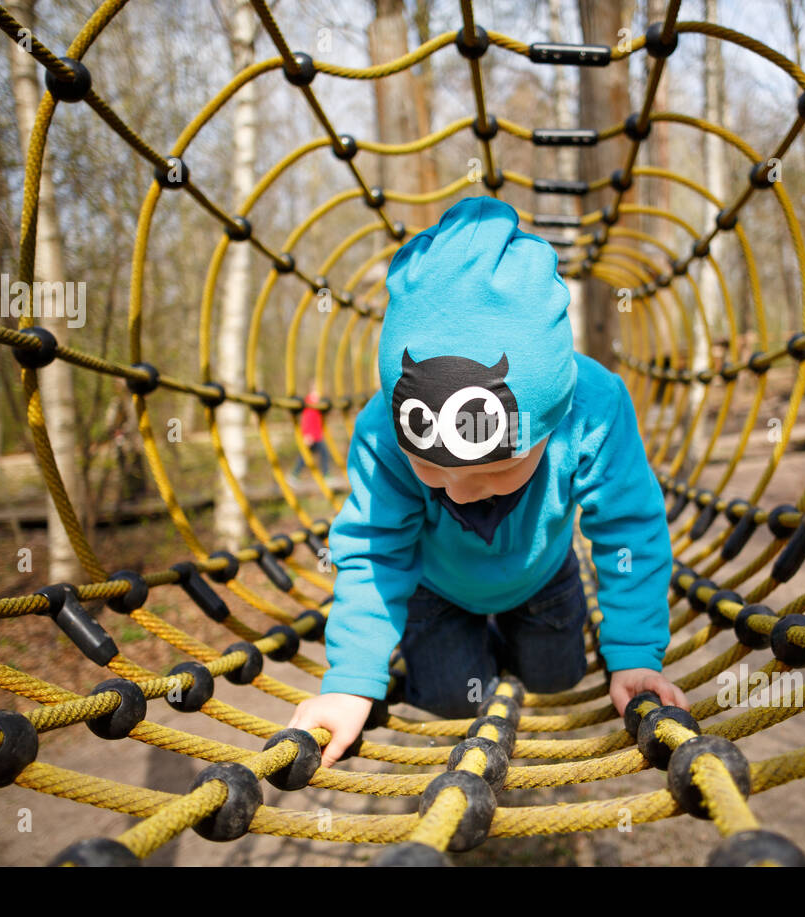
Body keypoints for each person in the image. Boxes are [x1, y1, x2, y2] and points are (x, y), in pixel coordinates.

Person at [288, 197, 684, 769]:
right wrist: (351, 680)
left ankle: (521, 645)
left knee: (557, 681)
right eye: (429, 468)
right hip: (438, 591)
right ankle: (463, 653)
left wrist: (633, 653)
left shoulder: (593, 408)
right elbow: (374, 549)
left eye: (496, 469)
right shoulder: (381, 429)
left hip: (543, 578)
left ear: (551, 425)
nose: (458, 491)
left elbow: (628, 532)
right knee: (451, 702)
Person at [292, 387, 331, 477]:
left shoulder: (316, 405)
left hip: (317, 435)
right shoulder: (309, 405)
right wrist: (307, 435)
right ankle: (295, 474)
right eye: (316, 392)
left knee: (319, 454)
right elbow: (307, 421)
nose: (318, 395)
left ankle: (295, 474)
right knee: (308, 456)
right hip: (312, 436)